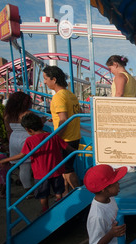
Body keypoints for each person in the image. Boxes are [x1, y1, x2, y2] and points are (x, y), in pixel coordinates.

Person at [0, 113, 72, 212]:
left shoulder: (30, 140)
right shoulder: (53, 136)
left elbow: (22, 155)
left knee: (43, 194)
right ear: (42, 125)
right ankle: (59, 204)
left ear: (28, 130)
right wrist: (77, 151)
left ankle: (45, 209)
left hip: (41, 174)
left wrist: (5, 160)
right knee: (58, 190)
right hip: (56, 170)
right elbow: (67, 147)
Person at [43, 65, 81, 195]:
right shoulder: (70, 94)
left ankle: (82, 193)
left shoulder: (58, 97)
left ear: (53, 79)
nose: (44, 82)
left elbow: (63, 120)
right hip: (75, 136)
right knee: (64, 168)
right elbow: (77, 112)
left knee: (67, 169)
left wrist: (54, 138)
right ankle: (66, 193)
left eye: (45, 78)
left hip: (65, 138)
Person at [3, 92, 35, 196]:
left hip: (13, 139)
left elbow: (8, 131)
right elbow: (36, 126)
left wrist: (9, 143)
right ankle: (36, 189)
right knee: (34, 166)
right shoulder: (27, 114)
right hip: (26, 138)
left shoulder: (8, 114)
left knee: (23, 167)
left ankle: (27, 190)